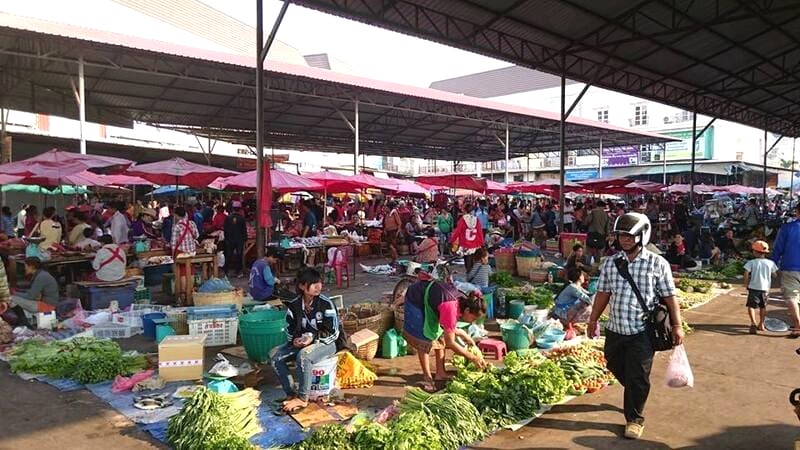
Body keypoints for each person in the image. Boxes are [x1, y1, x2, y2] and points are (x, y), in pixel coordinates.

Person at [588, 213, 683, 440]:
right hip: (615, 328)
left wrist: (678, 325)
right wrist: (593, 320)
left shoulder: (657, 263)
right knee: (613, 364)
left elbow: (670, 297)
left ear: (642, 236)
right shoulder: (611, 263)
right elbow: (603, 293)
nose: (625, 240)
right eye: (621, 236)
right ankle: (633, 393)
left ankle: (634, 419)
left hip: (643, 331)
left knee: (639, 377)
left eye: (630, 236)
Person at [270, 268, 340, 413]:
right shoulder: (294, 305)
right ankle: (290, 393)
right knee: (275, 357)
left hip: (326, 344)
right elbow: (289, 328)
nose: (318, 286)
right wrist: (295, 340)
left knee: (303, 357)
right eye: (313, 284)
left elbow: (334, 333)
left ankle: (302, 398)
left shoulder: (326, 304)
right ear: (302, 286)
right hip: (304, 343)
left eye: (319, 283)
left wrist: (313, 338)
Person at [400, 277, 487, 392]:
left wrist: (463, 334)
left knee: (441, 337)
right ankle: (427, 378)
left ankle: (440, 373)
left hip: (433, 301)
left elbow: (448, 326)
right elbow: (450, 343)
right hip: (416, 299)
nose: (472, 322)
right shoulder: (451, 307)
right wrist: (472, 357)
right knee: (424, 341)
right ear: (467, 311)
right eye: (473, 318)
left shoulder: (463, 300)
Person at [771, 203, 800, 338]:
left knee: (792, 298)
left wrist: (772, 264)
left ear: (797, 212)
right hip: (791, 268)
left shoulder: (787, 228)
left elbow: (778, 248)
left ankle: (798, 326)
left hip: (790, 268)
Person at [743, 240, 777, 335]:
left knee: (751, 306)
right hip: (765, 289)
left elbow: (746, 273)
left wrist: (745, 284)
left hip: (753, 287)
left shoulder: (751, 262)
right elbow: (774, 275)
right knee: (763, 306)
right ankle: (761, 323)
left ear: (755, 252)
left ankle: (753, 323)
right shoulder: (770, 263)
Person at [171, 206, 200, 297]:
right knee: (191, 270)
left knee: (182, 272)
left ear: (176, 215)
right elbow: (197, 236)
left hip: (181, 253)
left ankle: (183, 295)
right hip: (192, 252)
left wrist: (173, 257)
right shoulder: (192, 223)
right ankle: (190, 293)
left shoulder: (177, 227)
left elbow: (173, 243)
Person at [451, 203, 484, 273]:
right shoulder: (476, 220)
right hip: (474, 243)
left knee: (467, 260)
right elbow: (480, 232)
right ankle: (472, 273)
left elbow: (458, 231)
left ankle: (469, 273)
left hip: (465, 243)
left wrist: (452, 240)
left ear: (465, 211)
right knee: (473, 260)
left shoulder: (462, 219)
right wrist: (482, 242)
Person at [224, 201, 247, 278]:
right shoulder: (242, 218)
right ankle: (238, 271)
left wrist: (226, 238)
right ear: (240, 209)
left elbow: (225, 229)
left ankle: (226, 271)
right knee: (239, 255)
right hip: (239, 240)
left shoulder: (228, 218)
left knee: (228, 255)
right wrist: (245, 239)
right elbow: (244, 230)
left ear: (232, 208)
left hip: (230, 239)